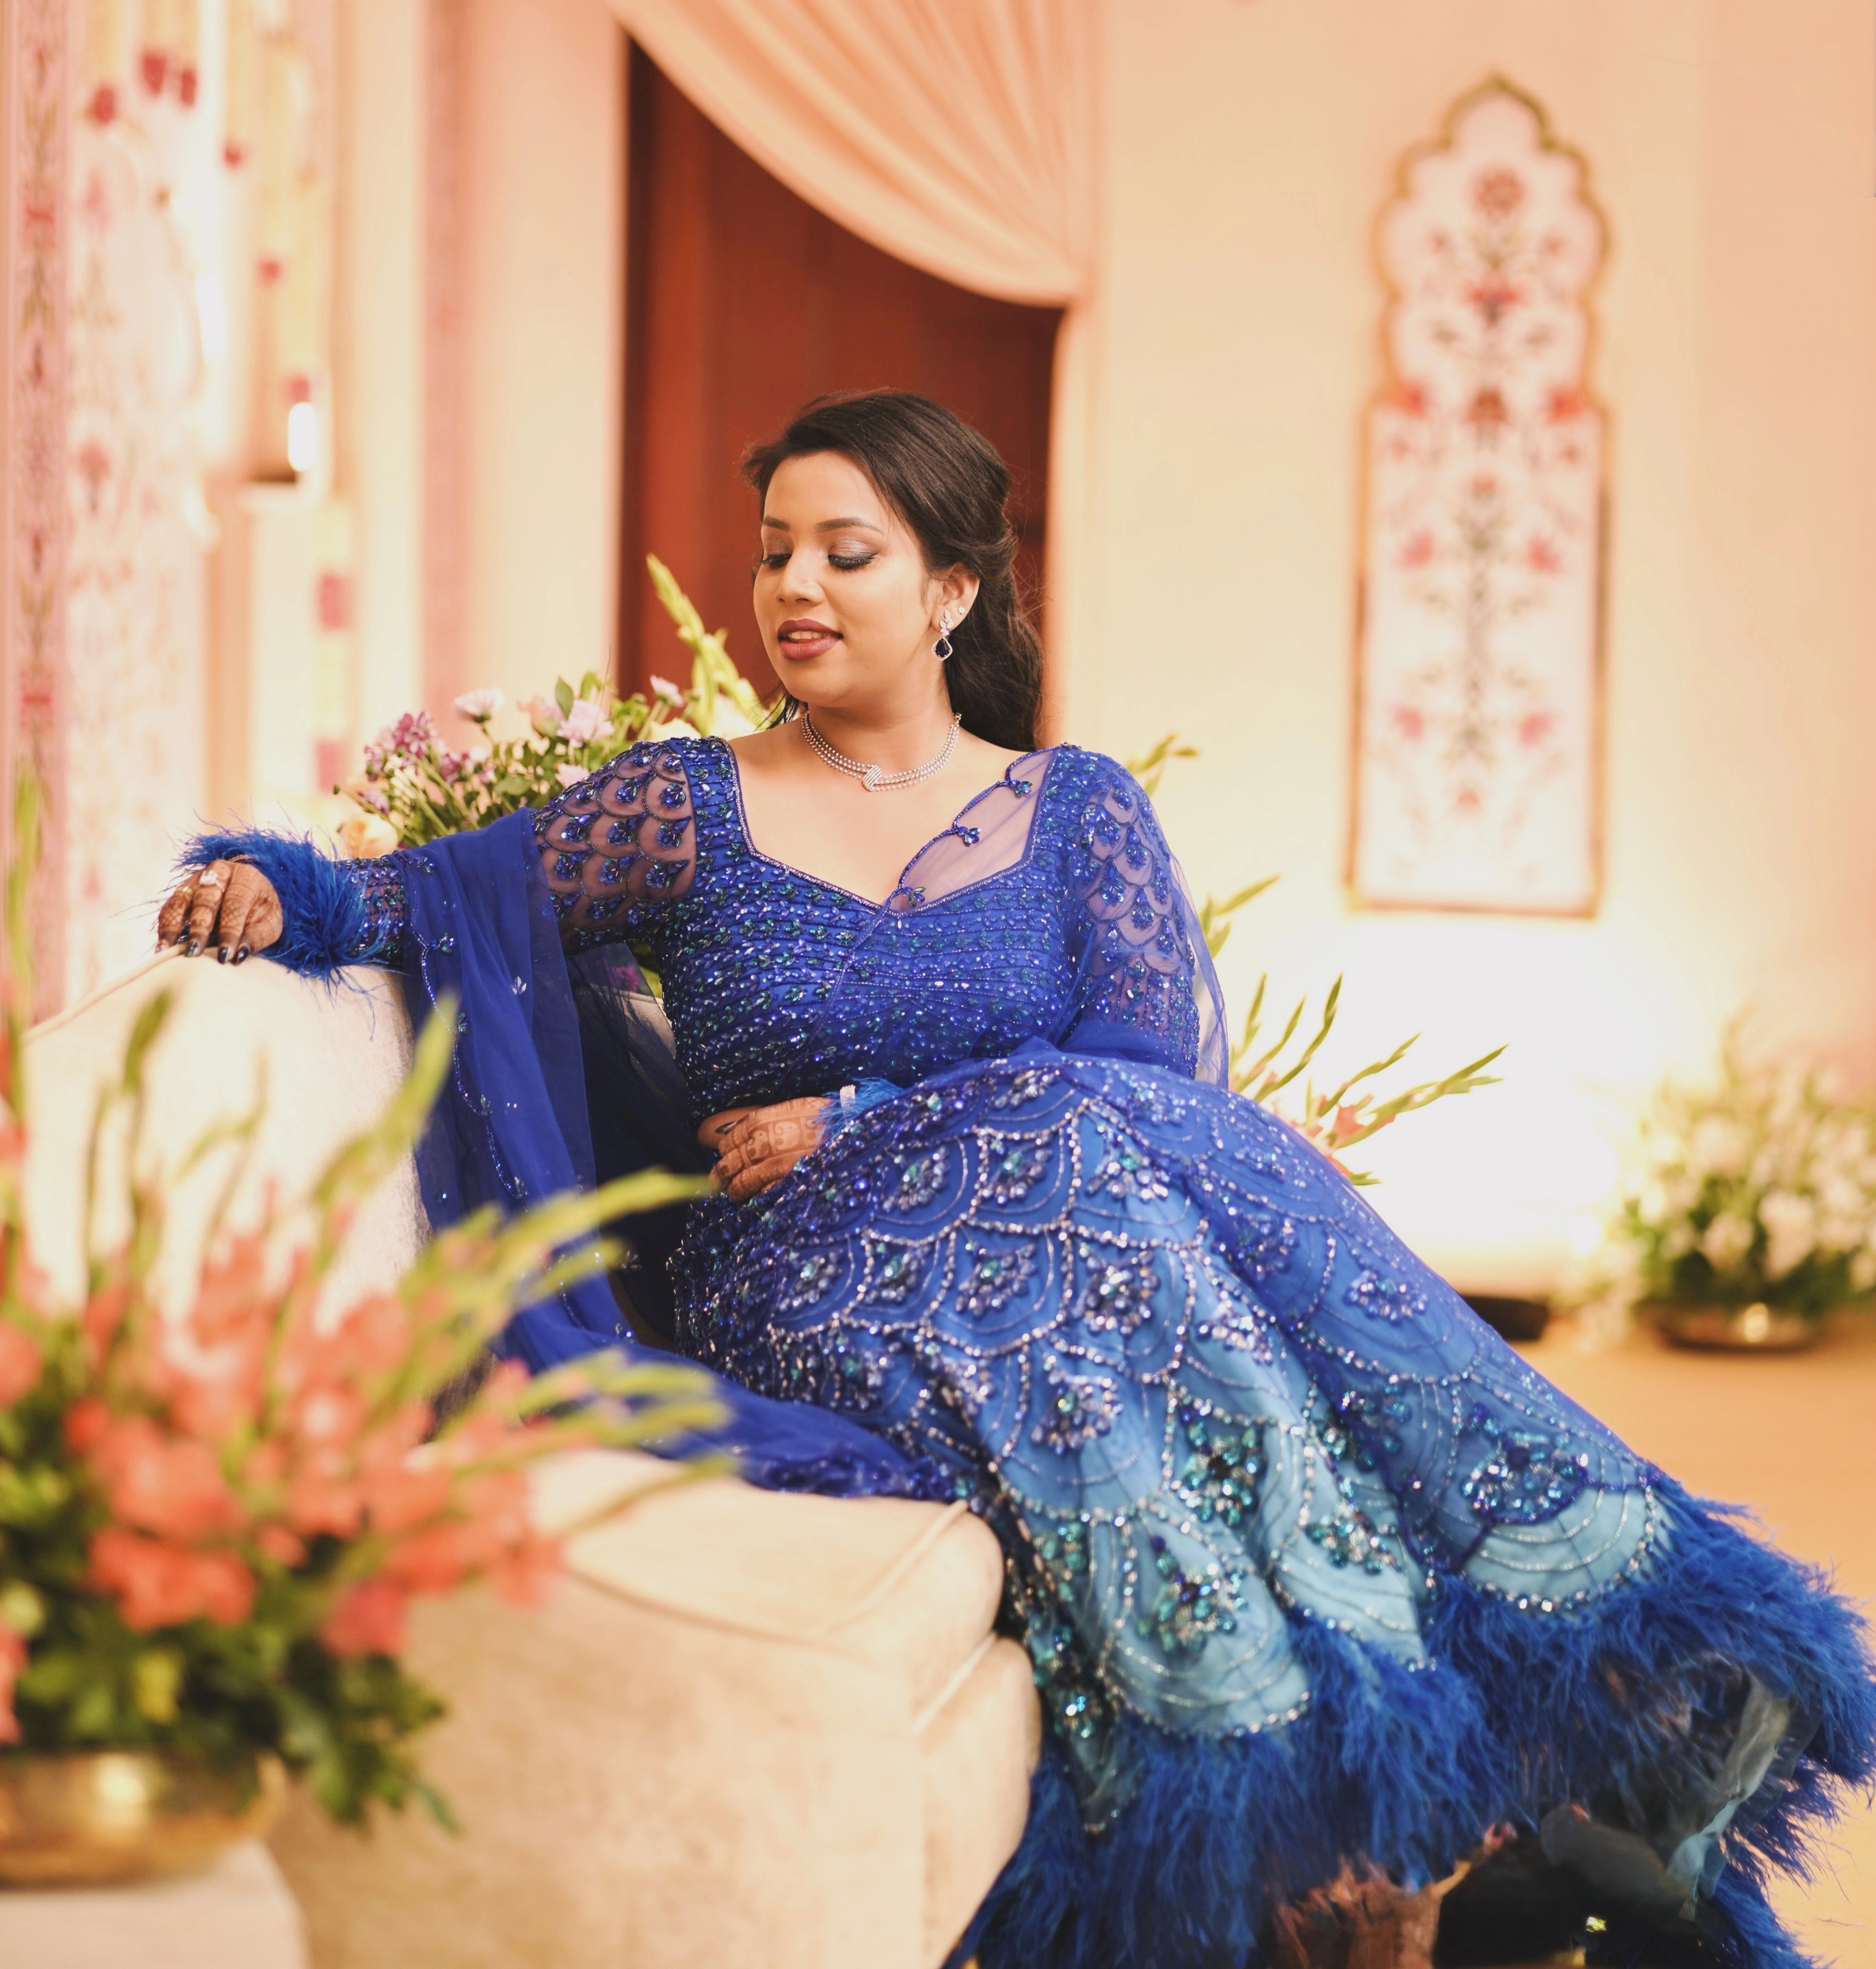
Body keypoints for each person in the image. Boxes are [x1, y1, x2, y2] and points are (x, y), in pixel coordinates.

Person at [160, 391, 1872, 1969]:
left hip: (1074, 1230)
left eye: (846, 552)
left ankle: (1445, 1797)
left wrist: (866, 1103)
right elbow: (438, 901)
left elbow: (1152, 1079)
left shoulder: (1077, 813)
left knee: (1090, 1162)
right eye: (774, 552)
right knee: (1073, 1166)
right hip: (811, 1269)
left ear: (953, 590)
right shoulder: (687, 806)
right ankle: (1477, 1795)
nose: (793, 587)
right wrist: (282, 890)